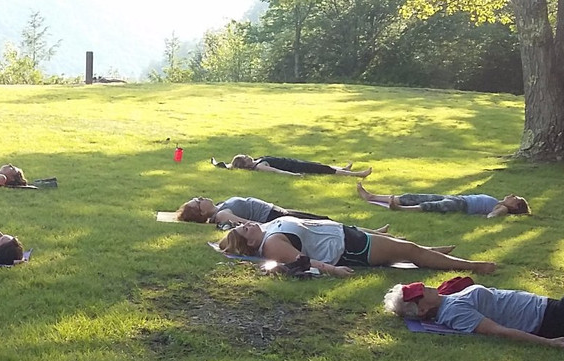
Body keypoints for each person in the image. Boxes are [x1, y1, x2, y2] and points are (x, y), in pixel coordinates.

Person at [217, 216, 495, 277]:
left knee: (407, 248)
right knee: (408, 251)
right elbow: (302, 261)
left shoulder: (268, 229)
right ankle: (471, 266)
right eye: (245, 229)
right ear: (250, 242)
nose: (248, 224)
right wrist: (333, 271)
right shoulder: (272, 245)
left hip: (345, 233)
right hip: (349, 248)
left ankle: (432, 252)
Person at [384, 281, 564, 348]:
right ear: (422, 309)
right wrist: (548, 343)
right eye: (420, 292)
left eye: (420, 286)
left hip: (543, 305)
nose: (424, 287)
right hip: (545, 318)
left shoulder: (446, 299)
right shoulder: (454, 312)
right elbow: (498, 331)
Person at [358, 182, 530, 217]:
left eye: (515, 198)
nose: (512, 195)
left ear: (515, 206)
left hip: (462, 205)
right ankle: (372, 196)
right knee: (414, 196)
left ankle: (401, 209)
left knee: (434, 205)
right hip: (458, 198)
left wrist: (503, 210)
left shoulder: (503, 208)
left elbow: (491, 217)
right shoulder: (497, 200)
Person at [174, 195, 329, 226]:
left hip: (275, 210)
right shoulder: (221, 215)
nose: (201, 197)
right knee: (319, 222)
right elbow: (250, 224)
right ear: (201, 212)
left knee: (320, 219)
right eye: (198, 201)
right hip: (273, 217)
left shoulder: (220, 207)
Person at [213, 154, 371, 177]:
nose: (248, 156)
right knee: (324, 170)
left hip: (295, 162)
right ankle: (357, 174)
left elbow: (226, 165)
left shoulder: (257, 160)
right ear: (245, 164)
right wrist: (294, 175)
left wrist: (218, 164)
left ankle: (343, 169)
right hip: (296, 168)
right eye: (246, 158)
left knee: (320, 165)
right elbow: (276, 170)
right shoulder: (259, 166)